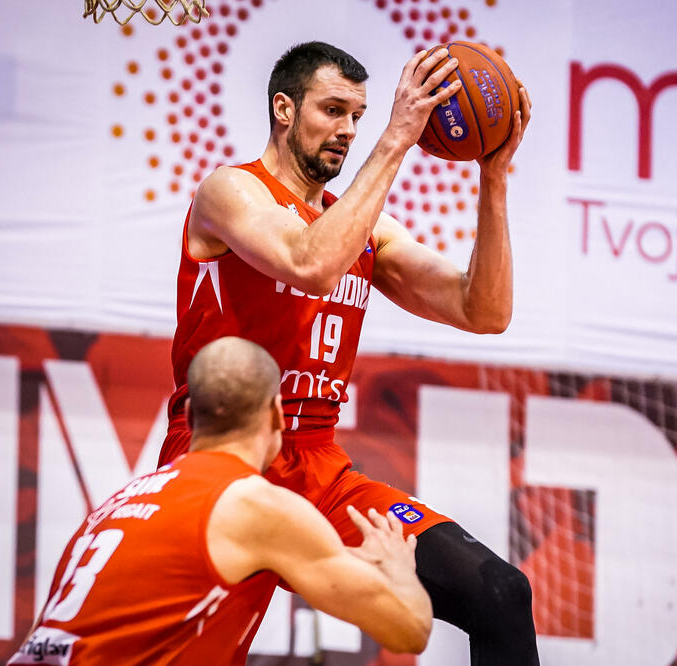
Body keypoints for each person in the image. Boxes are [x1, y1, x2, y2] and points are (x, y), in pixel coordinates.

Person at [161, 41, 536, 664]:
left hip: (318, 465)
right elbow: (309, 262)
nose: (348, 131)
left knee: (499, 592)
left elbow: (485, 310)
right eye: (333, 110)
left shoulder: (362, 229)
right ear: (284, 109)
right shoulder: (229, 192)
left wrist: (492, 178)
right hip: (219, 456)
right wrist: (396, 137)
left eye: (357, 116)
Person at [10, 337, 432, 665]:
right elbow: (408, 629)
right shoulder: (255, 504)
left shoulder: (110, 508)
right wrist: (398, 568)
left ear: (190, 415)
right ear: (277, 417)